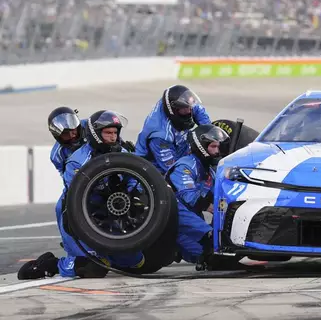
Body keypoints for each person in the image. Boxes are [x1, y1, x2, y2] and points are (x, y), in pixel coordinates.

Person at [18, 110, 146, 280]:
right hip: (81, 207)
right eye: (66, 134)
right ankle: (52, 264)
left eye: (74, 131)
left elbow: (134, 179)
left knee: (137, 263)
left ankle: (108, 255)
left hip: (112, 205)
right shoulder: (69, 158)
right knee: (92, 267)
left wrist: (134, 194)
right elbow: (75, 191)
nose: (72, 136)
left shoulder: (97, 129)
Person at [165, 124, 233, 270]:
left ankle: (215, 241)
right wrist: (211, 209)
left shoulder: (211, 172)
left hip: (192, 223)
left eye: (218, 147)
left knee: (211, 255)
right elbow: (188, 196)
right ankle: (209, 236)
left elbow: (220, 198)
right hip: (170, 219)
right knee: (174, 204)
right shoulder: (185, 166)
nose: (217, 151)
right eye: (213, 147)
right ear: (201, 146)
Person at [135, 85, 212, 174]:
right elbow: (173, 169)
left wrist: (209, 136)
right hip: (154, 168)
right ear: (173, 110)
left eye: (189, 107)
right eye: (185, 109)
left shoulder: (180, 102)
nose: (189, 111)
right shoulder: (160, 135)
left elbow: (197, 110)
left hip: (180, 149)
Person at [47, 107, 87, 177]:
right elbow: (67, 178)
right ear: (58, 136)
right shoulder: (56, 155)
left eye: (73, 130)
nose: (72, 135)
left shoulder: (90, 125)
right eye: (66, 134)